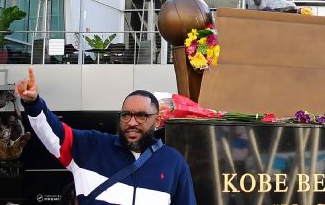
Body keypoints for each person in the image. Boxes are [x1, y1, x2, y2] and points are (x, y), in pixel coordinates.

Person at [15, 68, 195, 205]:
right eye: (126, 115)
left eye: (141, 116)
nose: (131, 122)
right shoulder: (91, 147)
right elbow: (54, 134)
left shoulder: (173, 162)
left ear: (157, 120)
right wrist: (33, 103)